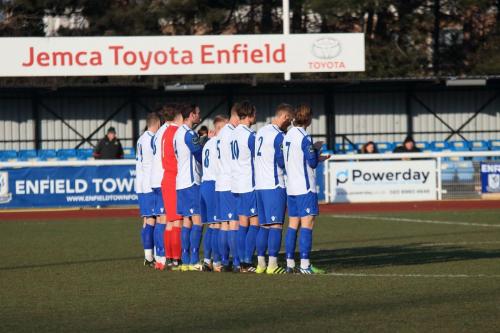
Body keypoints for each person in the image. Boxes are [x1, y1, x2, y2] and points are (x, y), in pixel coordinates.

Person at [283, 104, 329, 274]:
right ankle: (304, 264)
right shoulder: (304, 137)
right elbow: (312, 162)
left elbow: (284, 160)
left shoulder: (287, 135)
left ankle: (289, 263)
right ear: (308, 119)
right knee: (308, 223)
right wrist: (317, 152)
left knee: (293, 224)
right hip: (304, 186)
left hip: (291, 187)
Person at [254, 103, 294, 274]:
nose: (290, 124)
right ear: (284, 117)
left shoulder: (261, 131)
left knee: (264, 226)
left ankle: (261, 263)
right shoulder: (279, 136)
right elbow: (281, 161)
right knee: (276, 225)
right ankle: (272, 265)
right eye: (290, 120)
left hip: (259, 186)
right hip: (274, 184)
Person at [173, 104, 204, 271]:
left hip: (181, 182)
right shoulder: (189, 133)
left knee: (186, 220)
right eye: (198, 113)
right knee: (198, 221)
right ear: (191, 115)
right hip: (192, 182)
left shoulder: (177, 133)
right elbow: (198, 154)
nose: (200, 116)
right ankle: (193, 260)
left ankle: (185, 260)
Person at [230, 101, 259, 273]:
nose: (256, 117)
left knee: (242, 224)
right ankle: (247, 262)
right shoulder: (250, 135)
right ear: (249, 115)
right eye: (254, 114)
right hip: (249, 183)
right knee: (255, 223)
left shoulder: (233, 133)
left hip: (236, 183)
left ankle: (240, 261)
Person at [200, 115, 228, 272]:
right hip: (213, 185)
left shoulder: (208, 143)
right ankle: (217, 262)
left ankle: (207, 260)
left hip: (205, 184)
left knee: (211, 225)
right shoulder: (219, 143)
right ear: (220, 128)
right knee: (217, 224)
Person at [215, 103, 241, 272]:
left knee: (224, 224)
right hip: (230, 182)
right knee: (234, 223)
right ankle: (237, 262)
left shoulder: (221, 133)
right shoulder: (232, 133)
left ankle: (224, 261)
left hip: (220, 182)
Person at [135, 113, 161, 267]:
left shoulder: (141, 138)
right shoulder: (151, 139)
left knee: (147, 220)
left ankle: (148, 255)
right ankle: (154, 256)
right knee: (154, 219)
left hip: (141, 184)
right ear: (157, 123)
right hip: (150, 185)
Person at [161, 104, 183, 270]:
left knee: (170, 221)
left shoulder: (164, 132)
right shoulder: (176, 132)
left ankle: (169, 258)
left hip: (166, 177)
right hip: (174, 178)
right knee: (177, 222)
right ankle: (176, 259)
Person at [150, 107, 169, 270]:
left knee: (159, 219)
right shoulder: (166, 132)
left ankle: (159, 256)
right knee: (164, 219)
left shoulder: (158, 134)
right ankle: (161, 257)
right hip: (162, 179)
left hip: (155, 180)